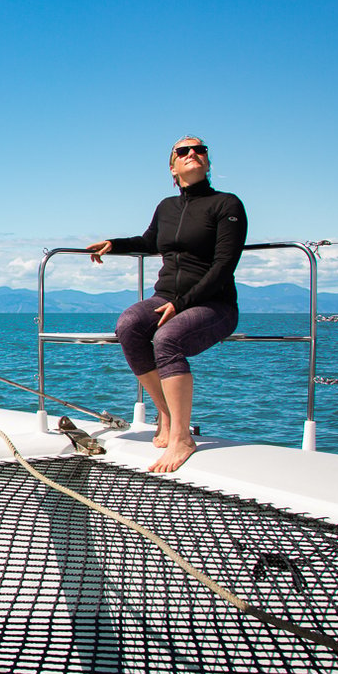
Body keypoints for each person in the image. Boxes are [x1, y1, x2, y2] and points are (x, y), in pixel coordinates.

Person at [87, 135, 247, 473]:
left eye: (200, 150)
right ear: (173, 167)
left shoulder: (227, 205)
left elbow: (223, 267)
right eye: (183, 151)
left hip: (214, 304)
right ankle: (166, 413)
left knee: (167, 339)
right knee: (129, 325)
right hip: (168, 299)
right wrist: (113, 244)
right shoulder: (167, 207)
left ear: (207, 162)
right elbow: (149, 241)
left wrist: (182, 302)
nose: (193, 154)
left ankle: (181, 437)